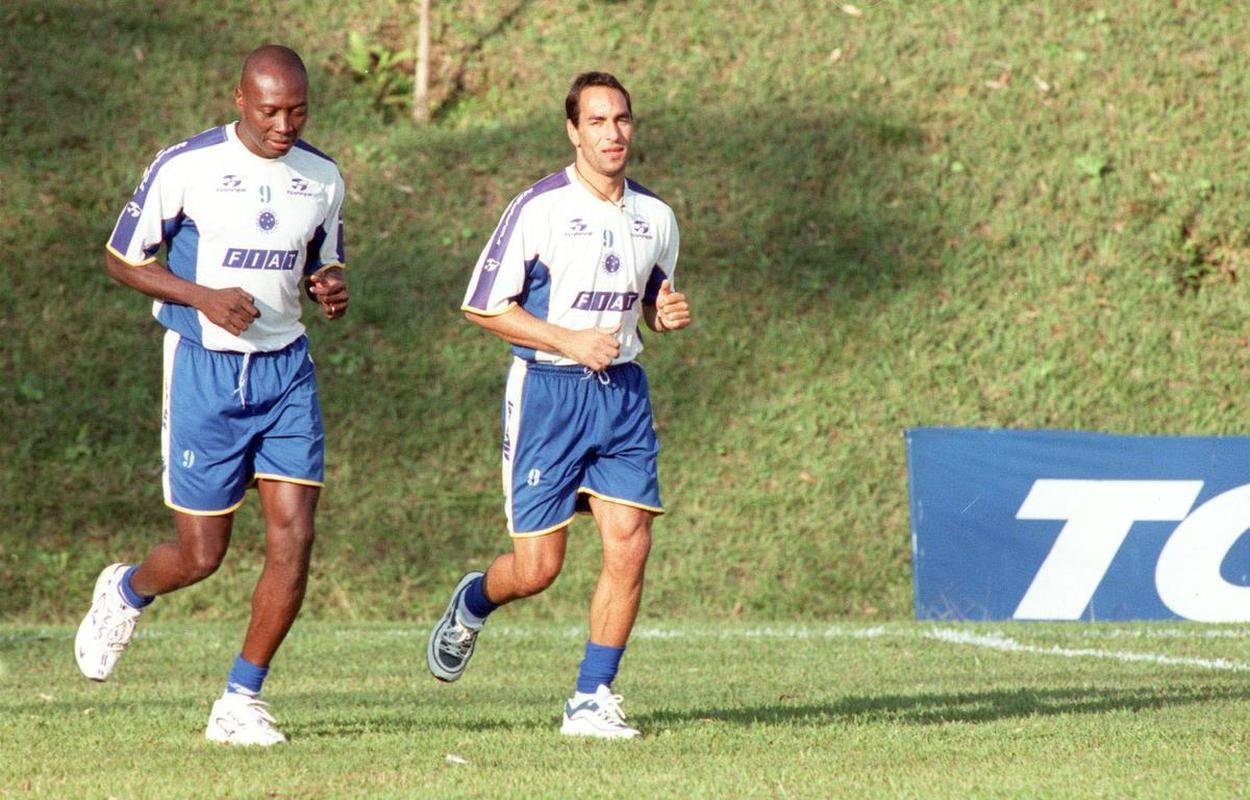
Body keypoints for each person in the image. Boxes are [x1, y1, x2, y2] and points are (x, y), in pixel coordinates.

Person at [75, 44, 349, 747]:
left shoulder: (321, 177)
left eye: (297, 110)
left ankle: (241, 700)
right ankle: (128, 590)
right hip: (204, 370)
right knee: (202, 555)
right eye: (269, 111)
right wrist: (201, 297)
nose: (284, 124)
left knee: (294, 536)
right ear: (238, 99)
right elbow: (121, 258)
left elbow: (323, 255)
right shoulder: (188, 166)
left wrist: (328, 284)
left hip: (286, 372)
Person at [426, 71, 691, 739]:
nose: (613, 133)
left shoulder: (656, 217)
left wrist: (664, 316)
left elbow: (650, 300)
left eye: (622, 120)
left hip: (623, 396)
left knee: (630, 546)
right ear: (573, 131)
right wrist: (566, 339)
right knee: (538, 569)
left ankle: (591, 696)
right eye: (597, 122)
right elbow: (483, 306)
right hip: (547, 395)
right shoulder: (539, 208)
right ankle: (474, 601)